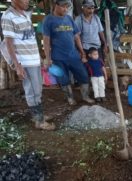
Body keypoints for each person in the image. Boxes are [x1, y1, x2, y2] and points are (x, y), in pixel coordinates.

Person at [1, 0, 55, 130]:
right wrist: (17, 65)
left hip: (33, 59)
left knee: (38, 88)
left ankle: (38, 115)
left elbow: (30, 38)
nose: (27, 1)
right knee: (32, 90)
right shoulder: (8, 16)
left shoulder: (25, 14)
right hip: (24, 61)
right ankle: (39, 121)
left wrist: (39, 57)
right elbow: (8, 43)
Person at [42, 0, 95, 105]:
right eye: (63, 6)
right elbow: (46, 40)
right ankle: (70, 98)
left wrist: (81, 51)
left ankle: (85, 96)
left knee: (83, 75)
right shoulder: (48, 20)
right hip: (58, 57)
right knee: (64, 79)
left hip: (73, 55)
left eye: (67, 7)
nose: (65, 9)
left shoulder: (69, 19)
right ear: (56, 5)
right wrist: (48, 58)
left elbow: (76, 36)